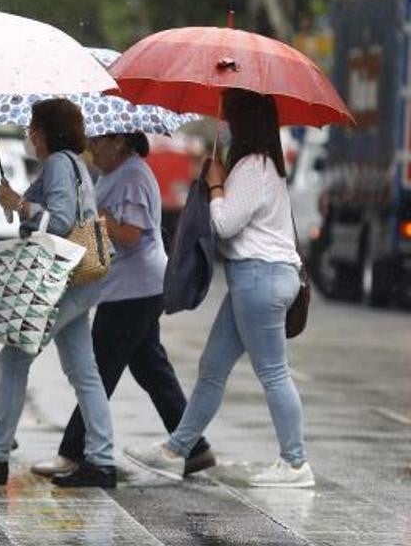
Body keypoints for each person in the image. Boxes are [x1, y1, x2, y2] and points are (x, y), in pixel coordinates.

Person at [125, 89, 313, 488]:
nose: (222, 124)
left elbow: (225, 225)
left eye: (228, 116)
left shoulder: (254, 166)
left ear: (243, 122)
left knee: (274, 373)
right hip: (257, 279)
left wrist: (214, 186)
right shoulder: (265, 167)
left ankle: (295, 463)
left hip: (259, 279)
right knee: (212, 369)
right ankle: (176, 451)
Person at [30, 131, 215, 479]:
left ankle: (74, 452)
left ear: (119, 142)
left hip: (134, 290)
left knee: (98, 371)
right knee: (150, 367)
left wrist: (97, 216)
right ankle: (194, 447)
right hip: (129, 288)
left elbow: (132, 234)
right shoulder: (116, 172)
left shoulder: (133, 174)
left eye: (97, 141)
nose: (90, 147)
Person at [0, 98, 117, 488]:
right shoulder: (73, 163)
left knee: (14, 356)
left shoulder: (57, 163)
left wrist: (20, 204)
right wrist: (16, 203)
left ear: (46, 130)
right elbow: (53, 210)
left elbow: (61, 221)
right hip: (82, 277)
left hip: (64, 277)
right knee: (83, 370)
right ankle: (102, 460)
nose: (29, 134)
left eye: (33, 127)